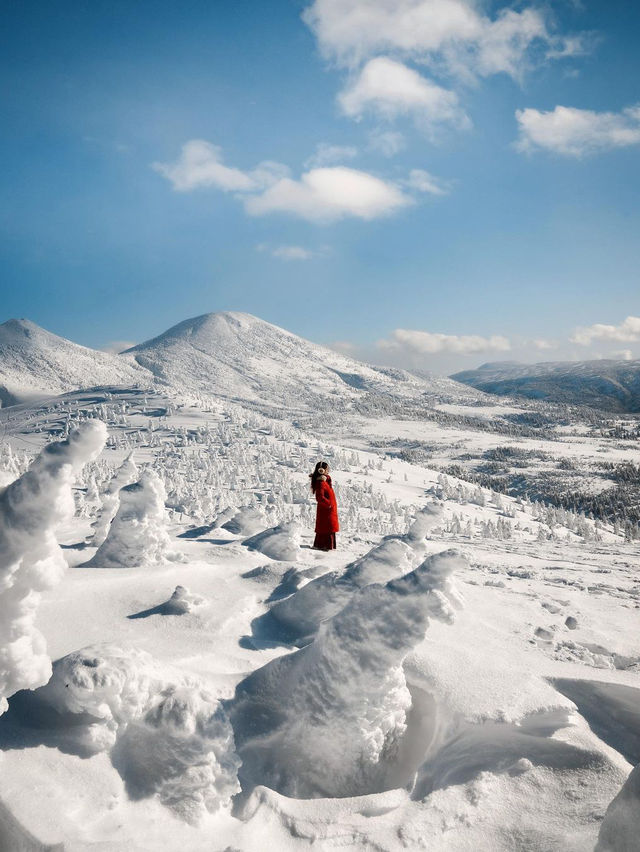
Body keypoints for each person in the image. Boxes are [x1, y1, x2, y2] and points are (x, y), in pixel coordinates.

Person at [309, 460, 339, 550]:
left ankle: (325, 546)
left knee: (327, 529)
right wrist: (329, 504)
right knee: (326, 529)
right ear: (322, 470)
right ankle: (324, 547)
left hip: (328, 511)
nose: (328, 470)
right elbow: (320, 497)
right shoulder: (321, 483)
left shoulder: (325, 481)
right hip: (326, 511)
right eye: (327, 469)